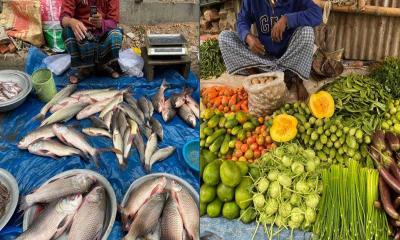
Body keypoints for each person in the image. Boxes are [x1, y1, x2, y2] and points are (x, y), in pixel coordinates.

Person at [218, 0, 322, 100]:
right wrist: (247, 36)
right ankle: (256, 76)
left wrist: (287, 19)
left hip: (289, 57)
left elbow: (317, 14)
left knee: (307, 32)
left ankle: (298, 80)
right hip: (263, 55)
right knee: (225, 37)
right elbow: (242, 20)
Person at [60, 0, 123, 83]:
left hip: (102, 33)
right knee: (67, 31)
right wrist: (71, 22)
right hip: (83, 34)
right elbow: (63, 17)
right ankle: (86, 67)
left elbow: (113, 22)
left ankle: (102, 65)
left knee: (116, 34)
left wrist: (102, 23)